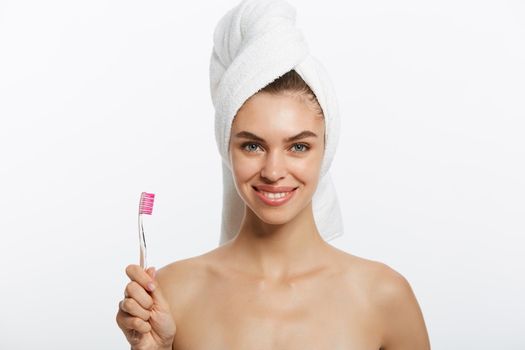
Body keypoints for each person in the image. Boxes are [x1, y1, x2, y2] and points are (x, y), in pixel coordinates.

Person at [115, 70, 431, 349]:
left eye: (298, 146)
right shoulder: (172, 293)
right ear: (227, 149)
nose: (273, 171)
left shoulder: (384, 295)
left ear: (326, 149)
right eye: (252, 146)